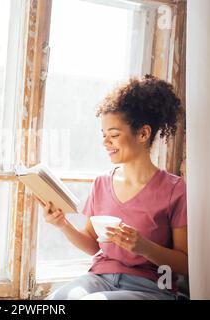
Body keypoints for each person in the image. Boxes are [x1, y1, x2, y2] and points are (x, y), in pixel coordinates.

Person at [37, 74, 187, 300]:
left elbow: (185, 263)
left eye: (114, 135)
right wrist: (62, 223)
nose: (105, 143)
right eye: (104, 135)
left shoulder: (175, 190)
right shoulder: (102, 183)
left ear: (143, 134)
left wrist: (144, 247)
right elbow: (92, 245)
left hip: (152, 287)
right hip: (100, 279)